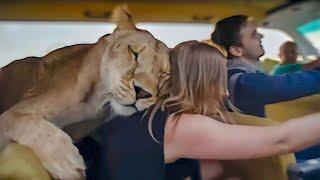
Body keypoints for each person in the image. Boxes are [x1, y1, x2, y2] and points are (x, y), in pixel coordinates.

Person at [77, 41, 320, 180]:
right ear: (201, 82)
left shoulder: (145, 113)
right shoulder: (181, 126)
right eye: (219, 81)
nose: (225, 93)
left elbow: (206, 169)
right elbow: (282, 140)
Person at [211, 15, 320, 118]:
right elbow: (289, 84)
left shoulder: (231, 77)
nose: (261, 36)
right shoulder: (239, 82)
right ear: (237, 50)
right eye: (254, 34)